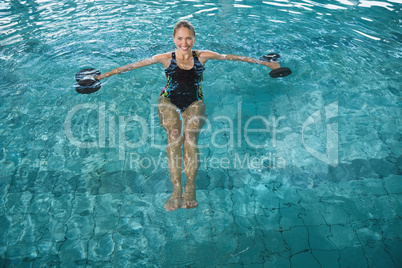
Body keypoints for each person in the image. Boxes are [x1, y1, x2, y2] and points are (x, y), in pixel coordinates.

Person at [95, 20, 281, 211]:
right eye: (180, 39)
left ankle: (190, 185)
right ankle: (176, 188)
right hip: (168, 100)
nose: (184, 43)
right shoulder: (166, 58)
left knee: (190, 138)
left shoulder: (203, 56)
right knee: (174, 135)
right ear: (174, 39)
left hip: (194, 101)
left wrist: (266, 63)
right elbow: (132, 66)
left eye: (188, 38)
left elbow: (233, 57)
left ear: (194, 39)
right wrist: (100, 77)